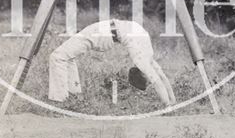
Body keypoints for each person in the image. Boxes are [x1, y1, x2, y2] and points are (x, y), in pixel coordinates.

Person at [48, 19, 176, 106]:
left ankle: (65, 99)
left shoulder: (146, 55)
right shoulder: (141, 59)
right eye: (148, 80)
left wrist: (172, 103)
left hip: (106, 31)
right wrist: (169, 106)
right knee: (60, 56)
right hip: (102, 32)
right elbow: (159, 81)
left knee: (59, 56)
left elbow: (161, 78)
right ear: (142, 73)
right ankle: (68, 97)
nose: (150, 78)